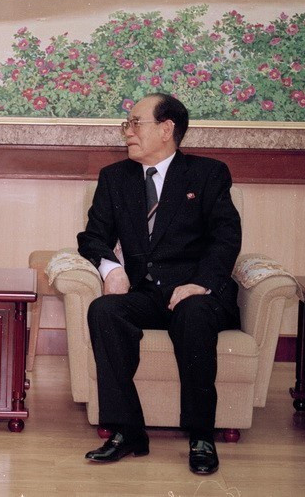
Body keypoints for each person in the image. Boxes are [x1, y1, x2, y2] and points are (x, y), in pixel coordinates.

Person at [77, 93, 241, 475]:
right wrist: (110, 269)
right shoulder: (115, 178)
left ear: (166, 129)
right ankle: (126, 430)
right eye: (127, 124)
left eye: (136, 123)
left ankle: (201, 435)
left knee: (195, 313)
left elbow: (226, 237)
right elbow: (93, 236)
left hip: (196, 294)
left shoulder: (208, 174)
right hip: (147, 294)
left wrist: (200, 284)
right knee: (104, 310)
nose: (127, 133)